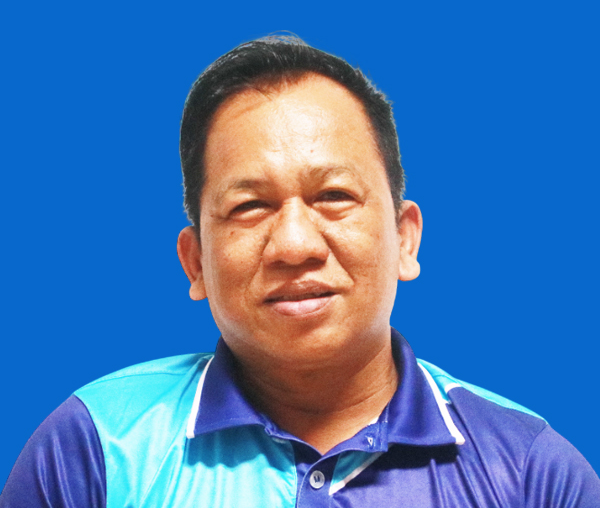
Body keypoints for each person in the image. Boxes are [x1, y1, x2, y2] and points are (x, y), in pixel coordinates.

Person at [1, 35, 598, 507]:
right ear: (196, 261)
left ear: (404, 238)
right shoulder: (96, 448)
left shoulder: (530, 472)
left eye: (333, 196)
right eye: (249, 206)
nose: (294, 244)